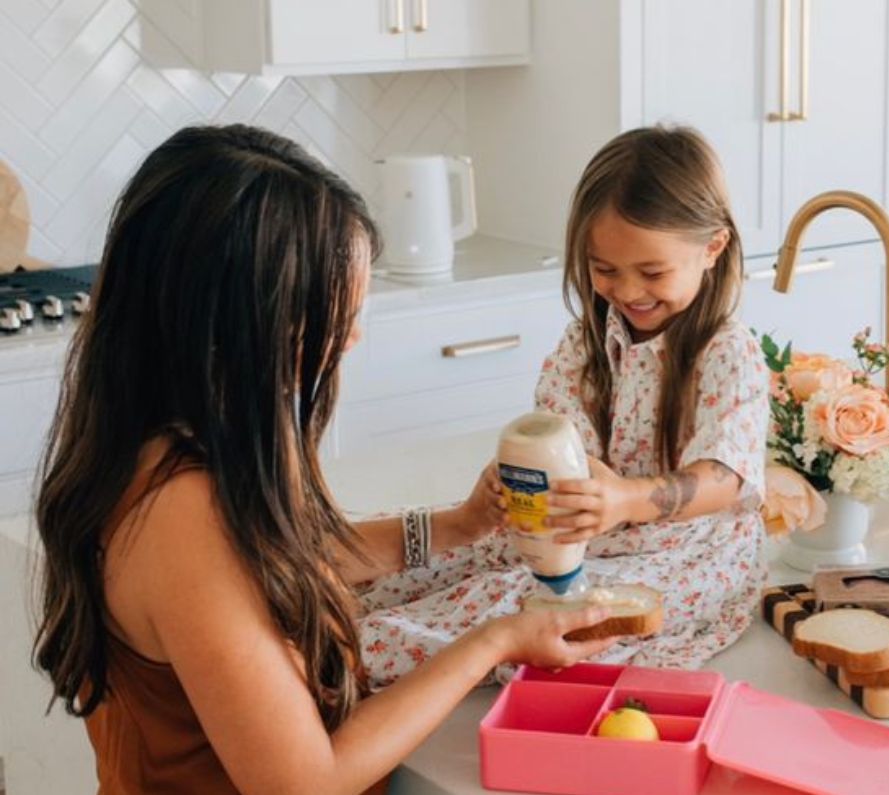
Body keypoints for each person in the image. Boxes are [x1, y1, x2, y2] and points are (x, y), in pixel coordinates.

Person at [32, 124, 617, 795]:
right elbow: (304, 782)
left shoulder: (183, 433)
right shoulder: (180, 512)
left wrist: (459, 525)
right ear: (246, 317)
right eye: (332, 309)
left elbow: (290, 564)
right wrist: (498, 639)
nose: (353, 333)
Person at [359, 126, 770, 687]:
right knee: (447, 562)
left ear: (713, 249)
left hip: (683, 556)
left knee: (503, 602)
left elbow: (725, 477)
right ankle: (316, 626)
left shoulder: (727, 352)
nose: (628, 291)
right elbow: (555, 438)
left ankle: (336, 662)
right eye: (605, 270)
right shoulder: (586, 342)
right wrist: (517, 483)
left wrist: (626, 498)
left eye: (652, 272)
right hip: (585, 533)